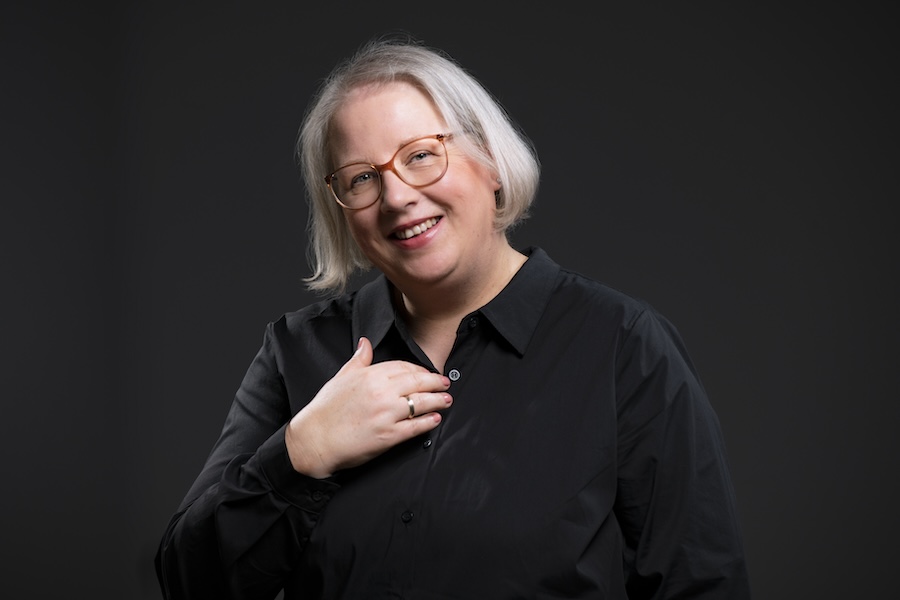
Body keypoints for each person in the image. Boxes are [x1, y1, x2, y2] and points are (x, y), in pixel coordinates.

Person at [155, 35, 751, 599]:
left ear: (490, 160)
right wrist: (300, 453)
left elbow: (701, 585)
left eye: (420, 156)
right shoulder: (296, 351)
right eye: (362, 178)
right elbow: (189, 582)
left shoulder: (623, 345)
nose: (396, 197)